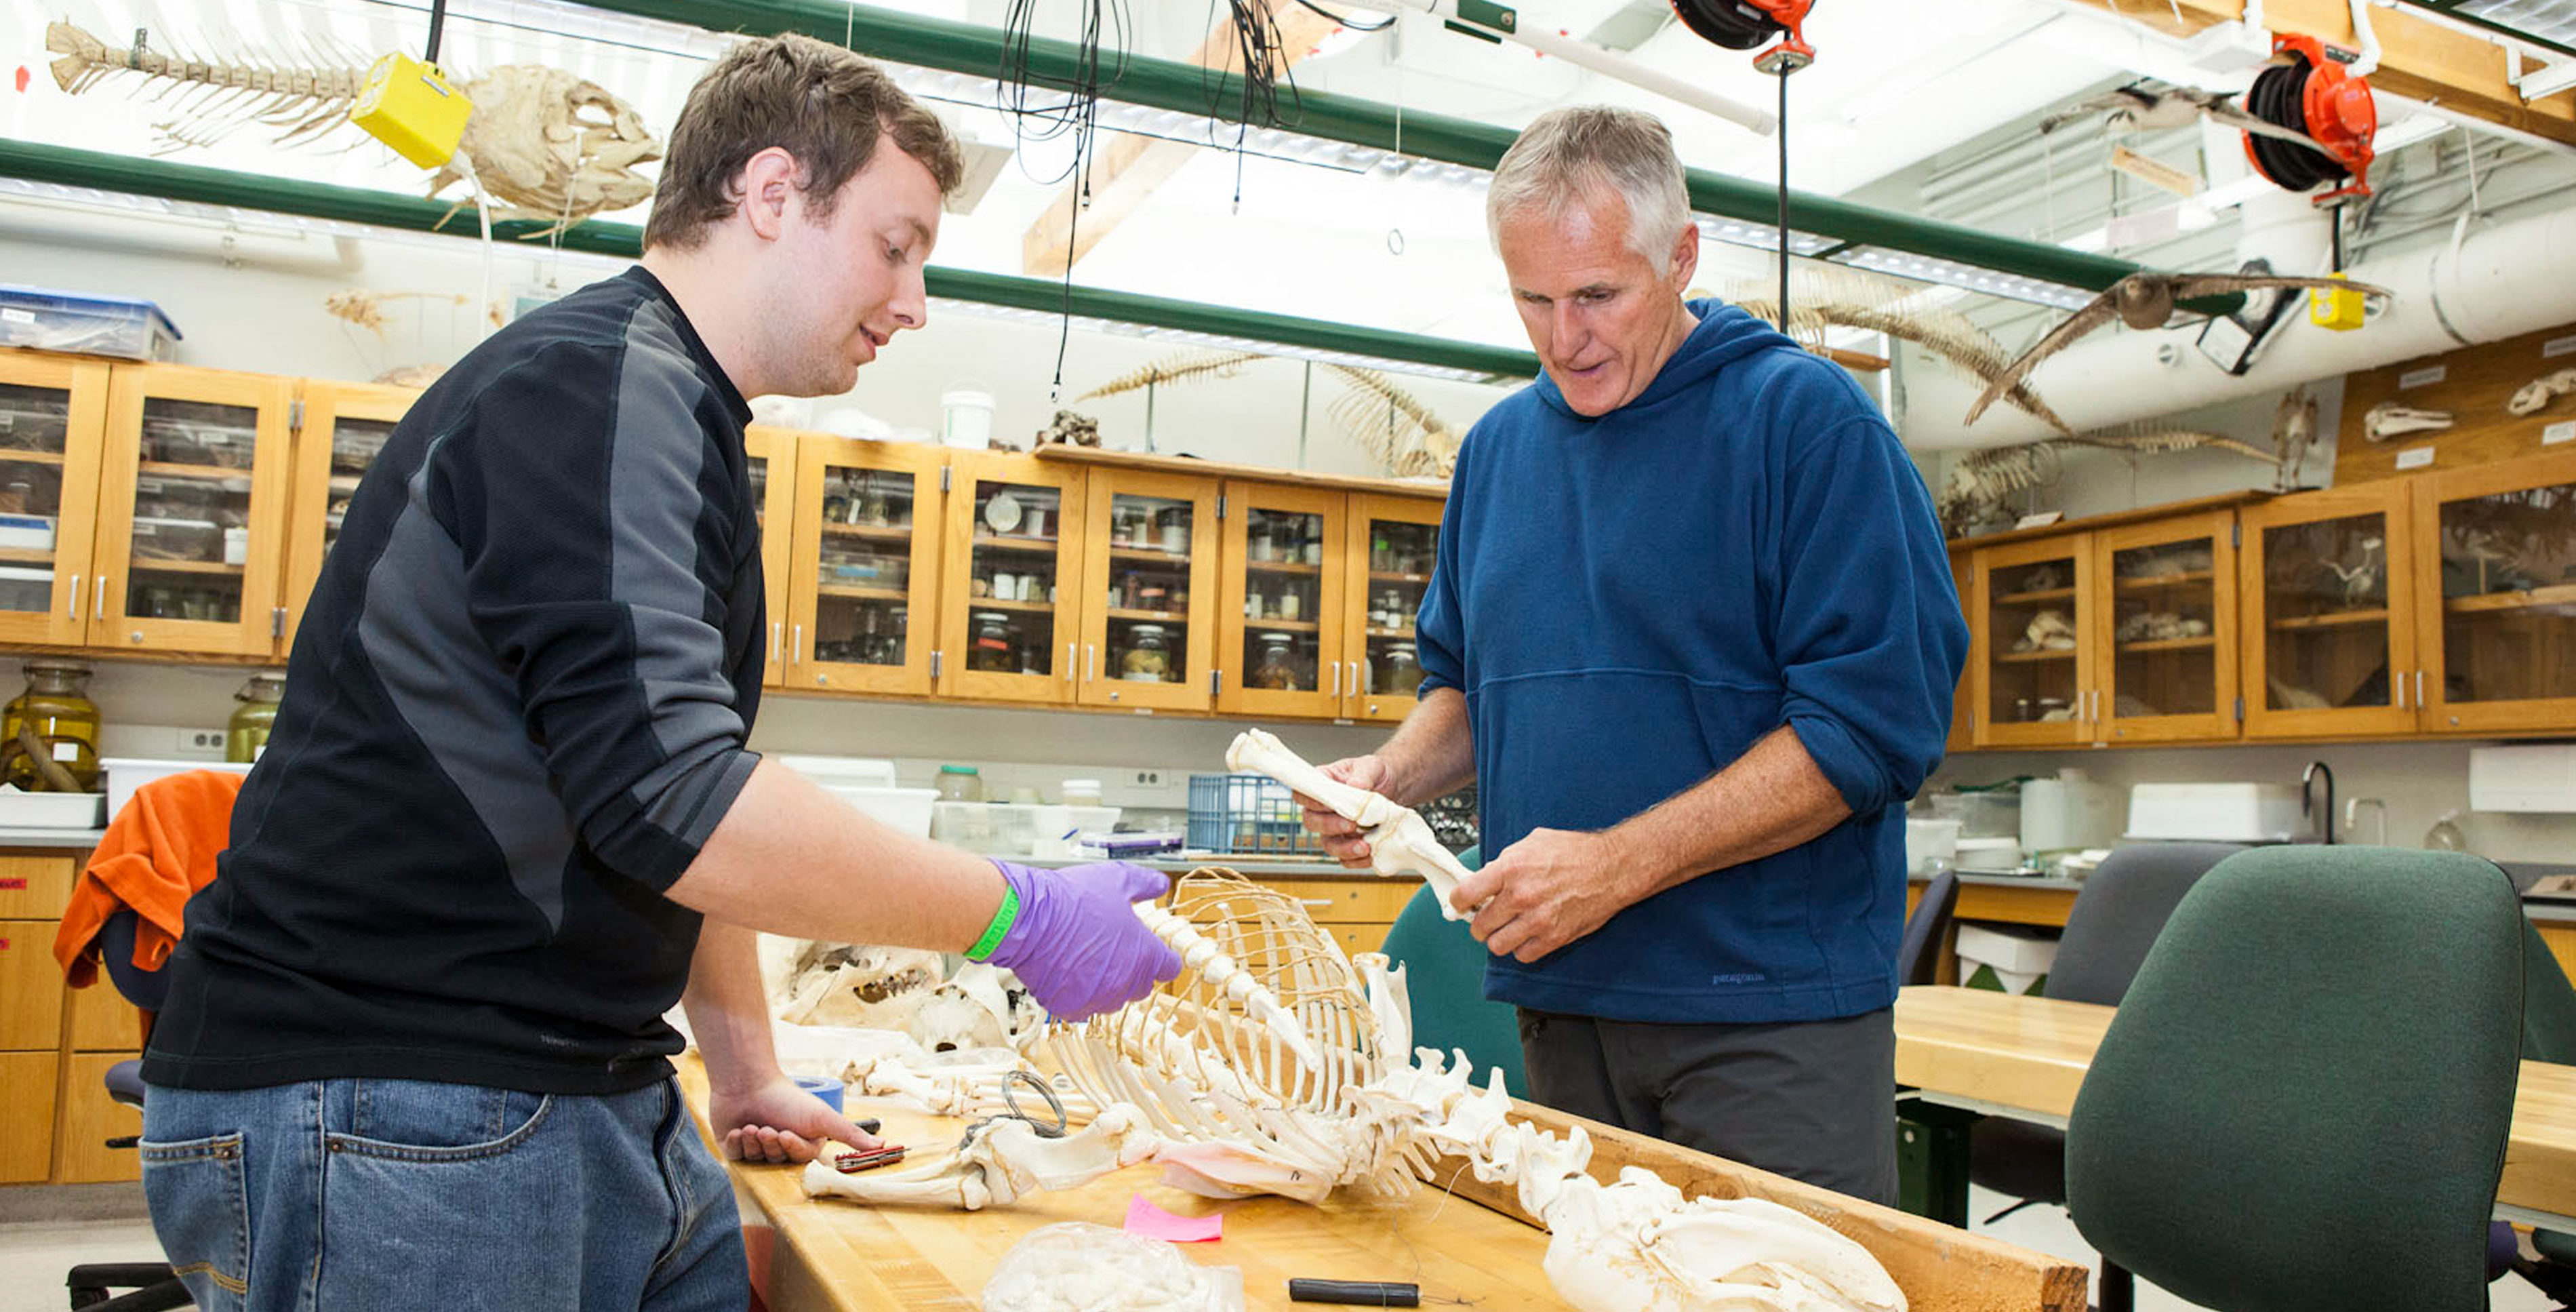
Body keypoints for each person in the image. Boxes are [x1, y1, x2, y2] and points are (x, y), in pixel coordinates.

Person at [136, 34, 1180, 1311]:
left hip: (569, 1082)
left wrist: (741, 1067)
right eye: (897, 247)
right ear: (773, 194)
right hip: (402, 1097)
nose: (914, 304)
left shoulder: (672, 412)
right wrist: (1019, 913)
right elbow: (677, 800)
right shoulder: (598, 386)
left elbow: (675, 797)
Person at [1300, 105, 1965, 1204]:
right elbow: (1467, 685)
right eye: (1534, 301)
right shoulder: (1501, 454)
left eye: (1599, 295)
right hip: (1561, 1001)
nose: (1567, 339)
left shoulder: (1810, 428)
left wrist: (1618, 864)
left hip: (1766, 1021)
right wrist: (1392, 779)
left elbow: (1868, 729)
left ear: (1682, 257)